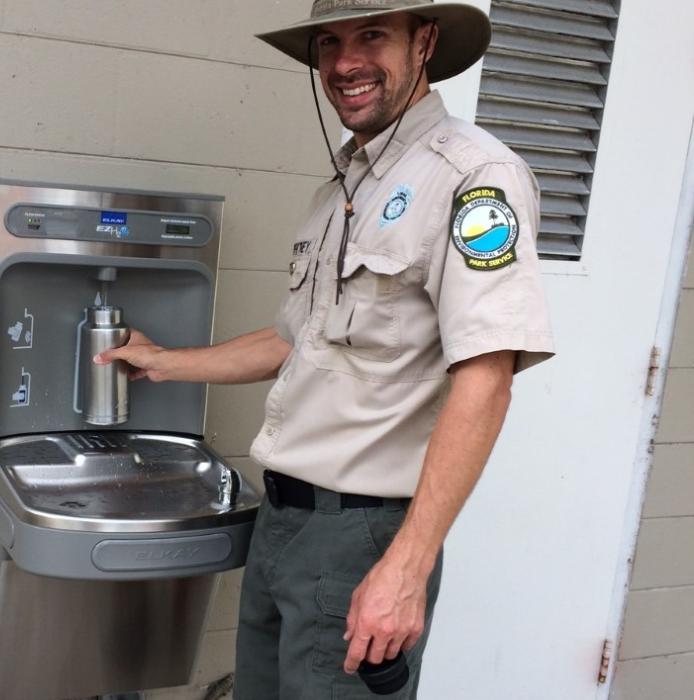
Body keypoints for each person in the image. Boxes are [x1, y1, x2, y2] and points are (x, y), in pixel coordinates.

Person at [96, 1, 554, 697]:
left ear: (424, 41)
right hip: (282, 523)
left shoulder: (472, 178)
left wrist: (406, 566)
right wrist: (166, 362)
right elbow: (296, 339)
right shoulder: (345, 188)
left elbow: (487, 377)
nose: (345, 63)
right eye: (330, 42)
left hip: (363, 538)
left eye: (372, 35)